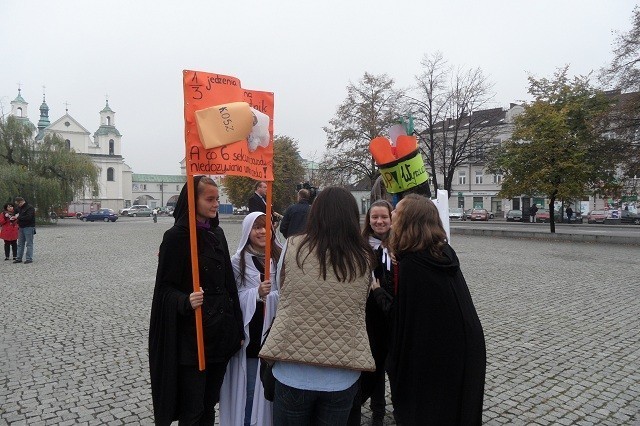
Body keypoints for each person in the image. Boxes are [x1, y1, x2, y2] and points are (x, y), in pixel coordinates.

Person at [259, 186, 376, 425]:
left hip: (292, 368)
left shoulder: (292, 248)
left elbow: (284, 293)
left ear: (315, 213)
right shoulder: (364, 258)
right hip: (342, 372)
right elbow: (362, 300)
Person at [148, 175, 245, 425]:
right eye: (210, 199)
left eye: (217, 199)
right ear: (193, 201)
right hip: (192, 339)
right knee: (192, 410)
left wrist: (237, 325)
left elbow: (228, 285)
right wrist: (185, 300)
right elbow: (165, 290)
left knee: (208, 405)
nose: (215, 204)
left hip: (219, 336)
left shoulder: (218, 234)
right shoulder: (176, 237)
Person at [386, 194, 486, 425]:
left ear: (409, 221)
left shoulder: (414, 265)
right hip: (465, 349)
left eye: (396, 212)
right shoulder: (443, 253)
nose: (392, 214)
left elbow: (404, 326)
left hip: (437, 359)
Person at [219, 212, 282, 426]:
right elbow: (231, 298)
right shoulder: (238, 262)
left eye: (266, 226)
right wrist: (255, 293)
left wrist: (273, 295)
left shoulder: (280, 257)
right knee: (251, 390)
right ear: (248, 231)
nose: (263, 231)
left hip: (277, 337)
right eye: (256, 227)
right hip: (251, 338)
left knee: (274, 392)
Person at [357, 199, 398, 426]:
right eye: (375, 217)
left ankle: (398, 406)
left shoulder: (400, 244)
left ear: (392, 219)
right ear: (368, 220)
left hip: (392, 311)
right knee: (375, 364)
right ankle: (377, 410)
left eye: (384, 217)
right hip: (368, 314)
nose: (379, 221)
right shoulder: (361, 244)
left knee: (393, 362)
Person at [13, 197, 36, 264]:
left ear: (21, 202)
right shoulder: (19, 208)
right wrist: (12, 216)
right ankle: (19, 258)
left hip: (29, 227)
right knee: (20, 244)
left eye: (18, 203)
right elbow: (15, 212)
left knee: (29, 243)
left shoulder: (30, 208)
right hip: (21, 227)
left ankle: (29, 258)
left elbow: (29, 217)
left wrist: (18, 217)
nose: (18, 205)